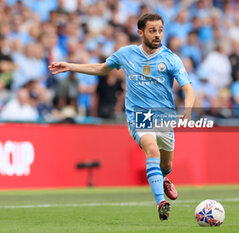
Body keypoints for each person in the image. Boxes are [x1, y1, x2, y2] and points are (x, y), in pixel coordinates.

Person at [48, 13, 195, 221]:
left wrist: (188, 109)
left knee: (166, 165)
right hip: (139, 116)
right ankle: (161, 202)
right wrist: (70, 66)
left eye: (160, 30)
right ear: (140, 32)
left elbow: (188, 89)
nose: (157, 35)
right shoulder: (126, 54)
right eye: (152, 30)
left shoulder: (171, 59)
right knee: (151, 149)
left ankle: (163, 177)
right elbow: (101, 68)